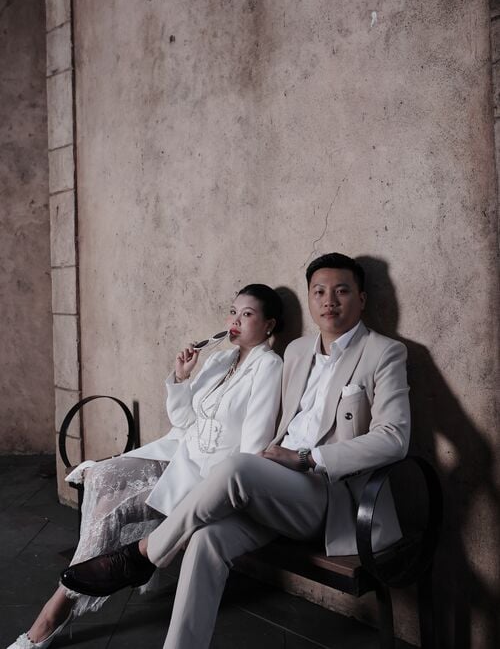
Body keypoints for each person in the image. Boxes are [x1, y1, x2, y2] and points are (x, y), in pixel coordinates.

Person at [58, 253, 411, 649]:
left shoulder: (384, 352)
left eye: (341, 291)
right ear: (311, 299)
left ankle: (143, 555)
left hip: (328, 495)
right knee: (206, 540)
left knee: (237, 467)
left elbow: (394, 438)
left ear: (361, 299)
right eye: (319, 292)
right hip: (276, 485)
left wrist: (308, 458)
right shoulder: (297, 351)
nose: (329, 300)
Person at [7, 283, 284, 649]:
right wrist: (182, 377)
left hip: (208, 478)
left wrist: (216, 492)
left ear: (269, 325)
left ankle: (54, 612)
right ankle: (93, 577)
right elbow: (183, 420)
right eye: (233, 312)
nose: (235, 321)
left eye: (247, 315)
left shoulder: (269, 366)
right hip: (178, 455)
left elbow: (251, 449)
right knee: (102, 477)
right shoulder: (219, 360)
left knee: (112, 508)